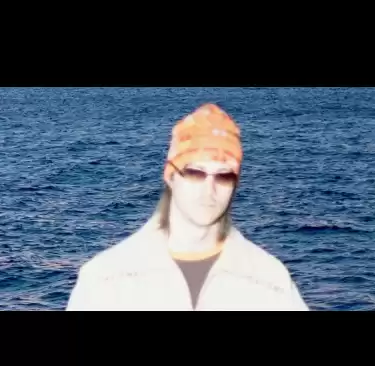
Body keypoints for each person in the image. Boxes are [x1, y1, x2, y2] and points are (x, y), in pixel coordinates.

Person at [66, 103, 309, 311]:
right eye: (195, 173)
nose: (209, 189)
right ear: (170, 175)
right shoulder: (105, 280)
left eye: (224, 176)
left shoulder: (271, 283)